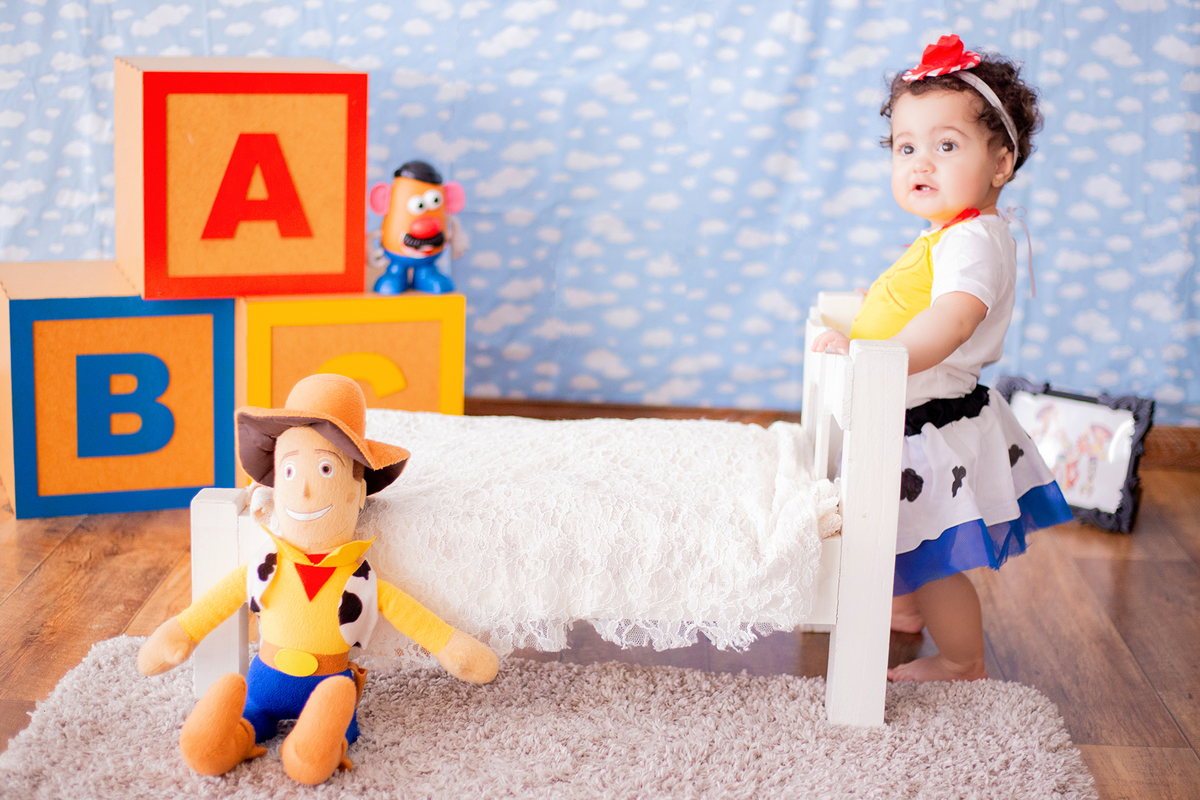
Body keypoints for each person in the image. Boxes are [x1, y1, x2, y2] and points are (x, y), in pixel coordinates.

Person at [811, 35, 1073, 682]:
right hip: (913, 408)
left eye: (946, 145)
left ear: (1001, 161)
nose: (920, 161)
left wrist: (876, 352)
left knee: (930, 553)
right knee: (896, 530)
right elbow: (914, 296)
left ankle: (962, 659)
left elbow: (952, 320)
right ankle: (901, 612)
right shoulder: (949, 232)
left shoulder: (976, 241)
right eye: (906, 148)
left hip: (927, 417)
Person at [138, 374, 498, 783]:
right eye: (290, 471)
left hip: (329, 681)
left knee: (322, 726)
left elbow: (414, 618)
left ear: (357, 494)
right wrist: (179, 634)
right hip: (264, 684)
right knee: (224, 734)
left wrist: (453, 648)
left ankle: (316, 742)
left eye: (326, 468)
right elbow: (212, 605)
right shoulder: (265, 566)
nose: (306, 490)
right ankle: (227, 737)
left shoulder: (359, 577)